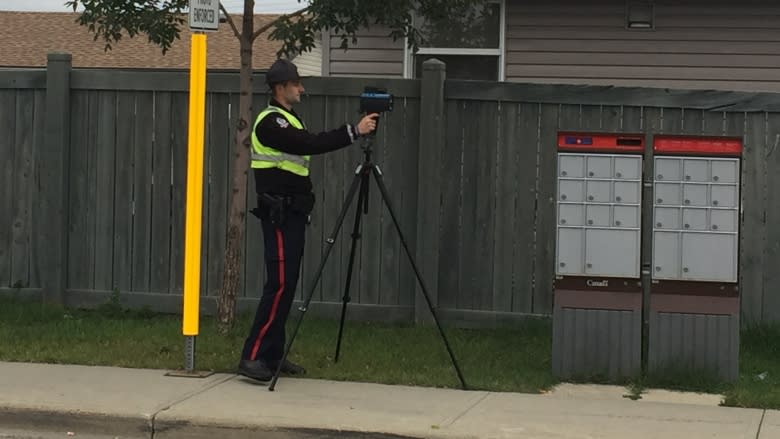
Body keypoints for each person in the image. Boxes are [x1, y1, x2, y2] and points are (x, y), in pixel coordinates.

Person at [238, 59, 379, 382]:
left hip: (293, 214)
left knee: (287, 286)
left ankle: (273, 355)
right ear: (280, 87)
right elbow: (309, 144)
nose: (302, 88)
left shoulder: (288, 118)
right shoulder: (271, 121)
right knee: (279, 285)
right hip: (279, 214)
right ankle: (253, 355)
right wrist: (353, 131)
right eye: (296, 83)